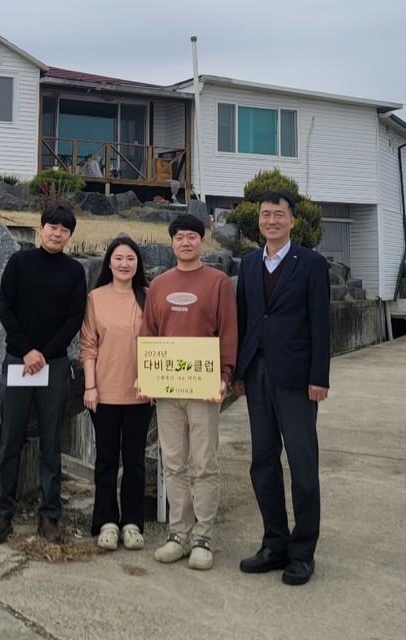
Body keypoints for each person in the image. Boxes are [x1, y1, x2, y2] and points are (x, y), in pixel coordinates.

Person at [234, 191, 330, 586]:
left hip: (296, 378)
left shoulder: (310, 263)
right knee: (263, 462)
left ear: (292, 221)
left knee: (303, 466)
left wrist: (319, 377)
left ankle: (303, 552)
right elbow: (245, 319)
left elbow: (320, 323)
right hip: (257, 374)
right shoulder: (250, 262)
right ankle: (274, 544)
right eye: (265, 214)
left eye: (279, 214)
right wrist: (238, 370)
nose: (271, 220)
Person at [0, 204, 87, 545]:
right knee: (10, 439)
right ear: (40, 228)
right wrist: (27, 350)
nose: (57, 233)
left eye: (64, 229)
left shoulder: (74, 272)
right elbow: (6, 309)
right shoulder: (19, 262)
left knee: (51, 442)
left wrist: (44, 353)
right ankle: (2, 514)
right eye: (52, 226)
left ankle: (49, 516)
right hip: (18, 360)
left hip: (54, 364)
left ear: (70, 235)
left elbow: (74, 319)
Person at [140, 214, 238, 571]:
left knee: (204, 464)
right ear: (172, 243)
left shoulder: (218, 283)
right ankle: (178, 534)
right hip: (166, 390)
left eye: (192, 237)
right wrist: (146, 377)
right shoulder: (160, 285)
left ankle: (203, 537)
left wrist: (225, 375)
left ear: (202, 242)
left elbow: (228, 333)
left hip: (204, 388)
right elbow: (148, 335)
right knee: (174, 464)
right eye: (179, 237)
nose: (185, 242)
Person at [80, 237, 153, 551]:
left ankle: (133, 523)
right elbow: (88, 346)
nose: (125, 264)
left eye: (131, 258)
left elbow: (159, 343)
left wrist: (152, 381)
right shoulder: (95, 298)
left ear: (138, 264)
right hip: (104, 394)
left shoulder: (149, 297)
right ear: (109, 262)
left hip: (141, 395)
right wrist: (90, 386)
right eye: (119, 258)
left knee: (136, 460)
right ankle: (106, 521)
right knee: (106, 460)